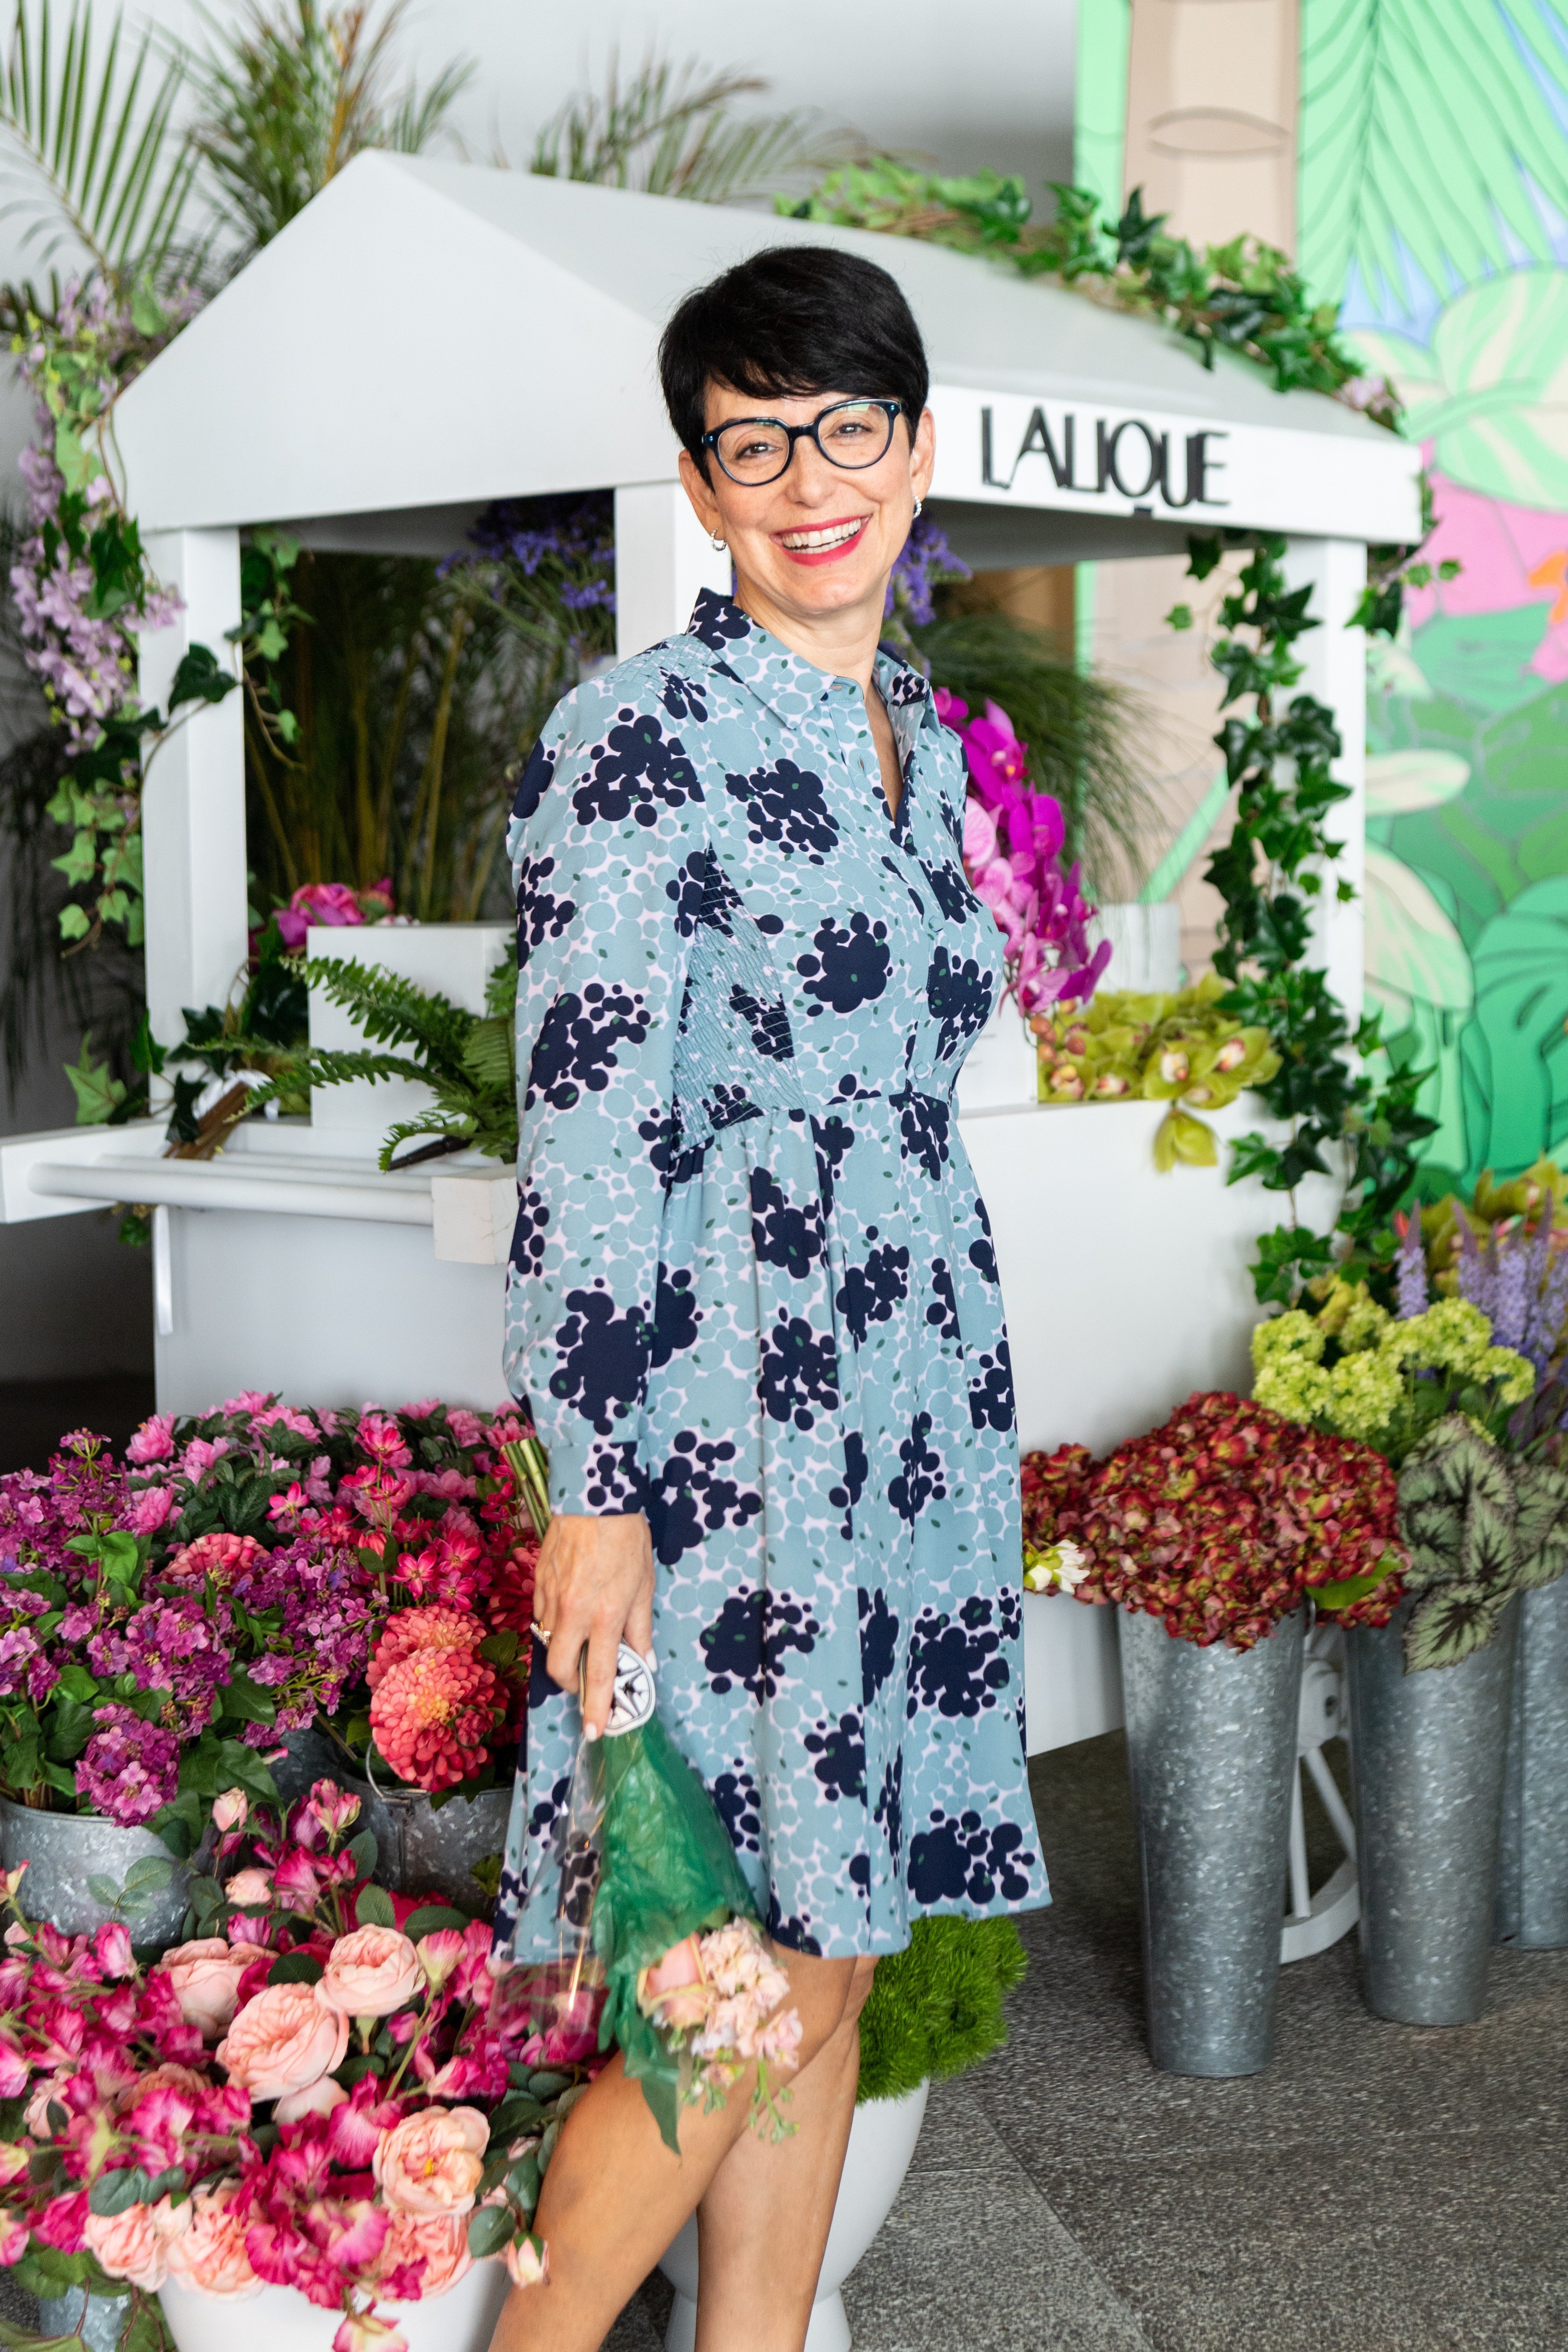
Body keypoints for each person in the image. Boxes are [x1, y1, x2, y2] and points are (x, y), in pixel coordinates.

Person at [487, 242, 1047, 2352]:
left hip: (899, 1413)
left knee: (840, 1947)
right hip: (723, 1425)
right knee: (732, 1980)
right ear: (701, 488)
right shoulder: (640, 740)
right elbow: (588, 1127)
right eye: (754, 442)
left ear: (913, 446)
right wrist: (596, 1480)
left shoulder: (914, 723)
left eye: (847, 427)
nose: (809, 477)